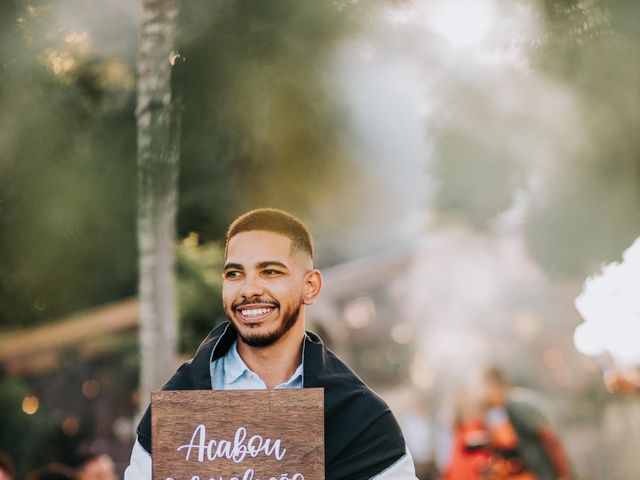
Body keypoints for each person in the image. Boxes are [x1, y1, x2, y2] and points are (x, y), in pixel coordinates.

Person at [125, 208, 417, 480]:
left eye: (271, 272)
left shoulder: (357, 417)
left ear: (310, 286)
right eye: (234, 273)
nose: (249, 289)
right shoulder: (181, 403)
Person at [481, 367, 573, 480]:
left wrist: (563, 474)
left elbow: (549, 437)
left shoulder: (516, 405)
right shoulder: (513, 402)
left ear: (492, 386)